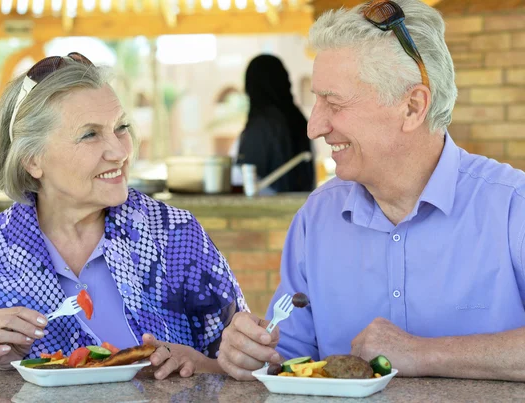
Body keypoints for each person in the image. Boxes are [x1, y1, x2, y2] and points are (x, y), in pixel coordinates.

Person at [218, 0, 525, 382]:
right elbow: (287, 361)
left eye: (334, 102)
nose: (314, 127)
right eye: (316, 101)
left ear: (412, 107)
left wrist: (423, 354)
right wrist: (250, 356)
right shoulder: (316, 218)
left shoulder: (514, 207)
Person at [0, 53, 248, 378]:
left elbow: (247, 369)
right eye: (90, 134)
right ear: (32, 160)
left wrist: (198, 364)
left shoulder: (174, 234)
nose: (120, 152)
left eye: (120, 127)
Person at [232, 54, 315, 194]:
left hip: (268, 210)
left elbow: (242, 179)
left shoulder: (261, 124)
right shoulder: (298, 119)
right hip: (302, 205)